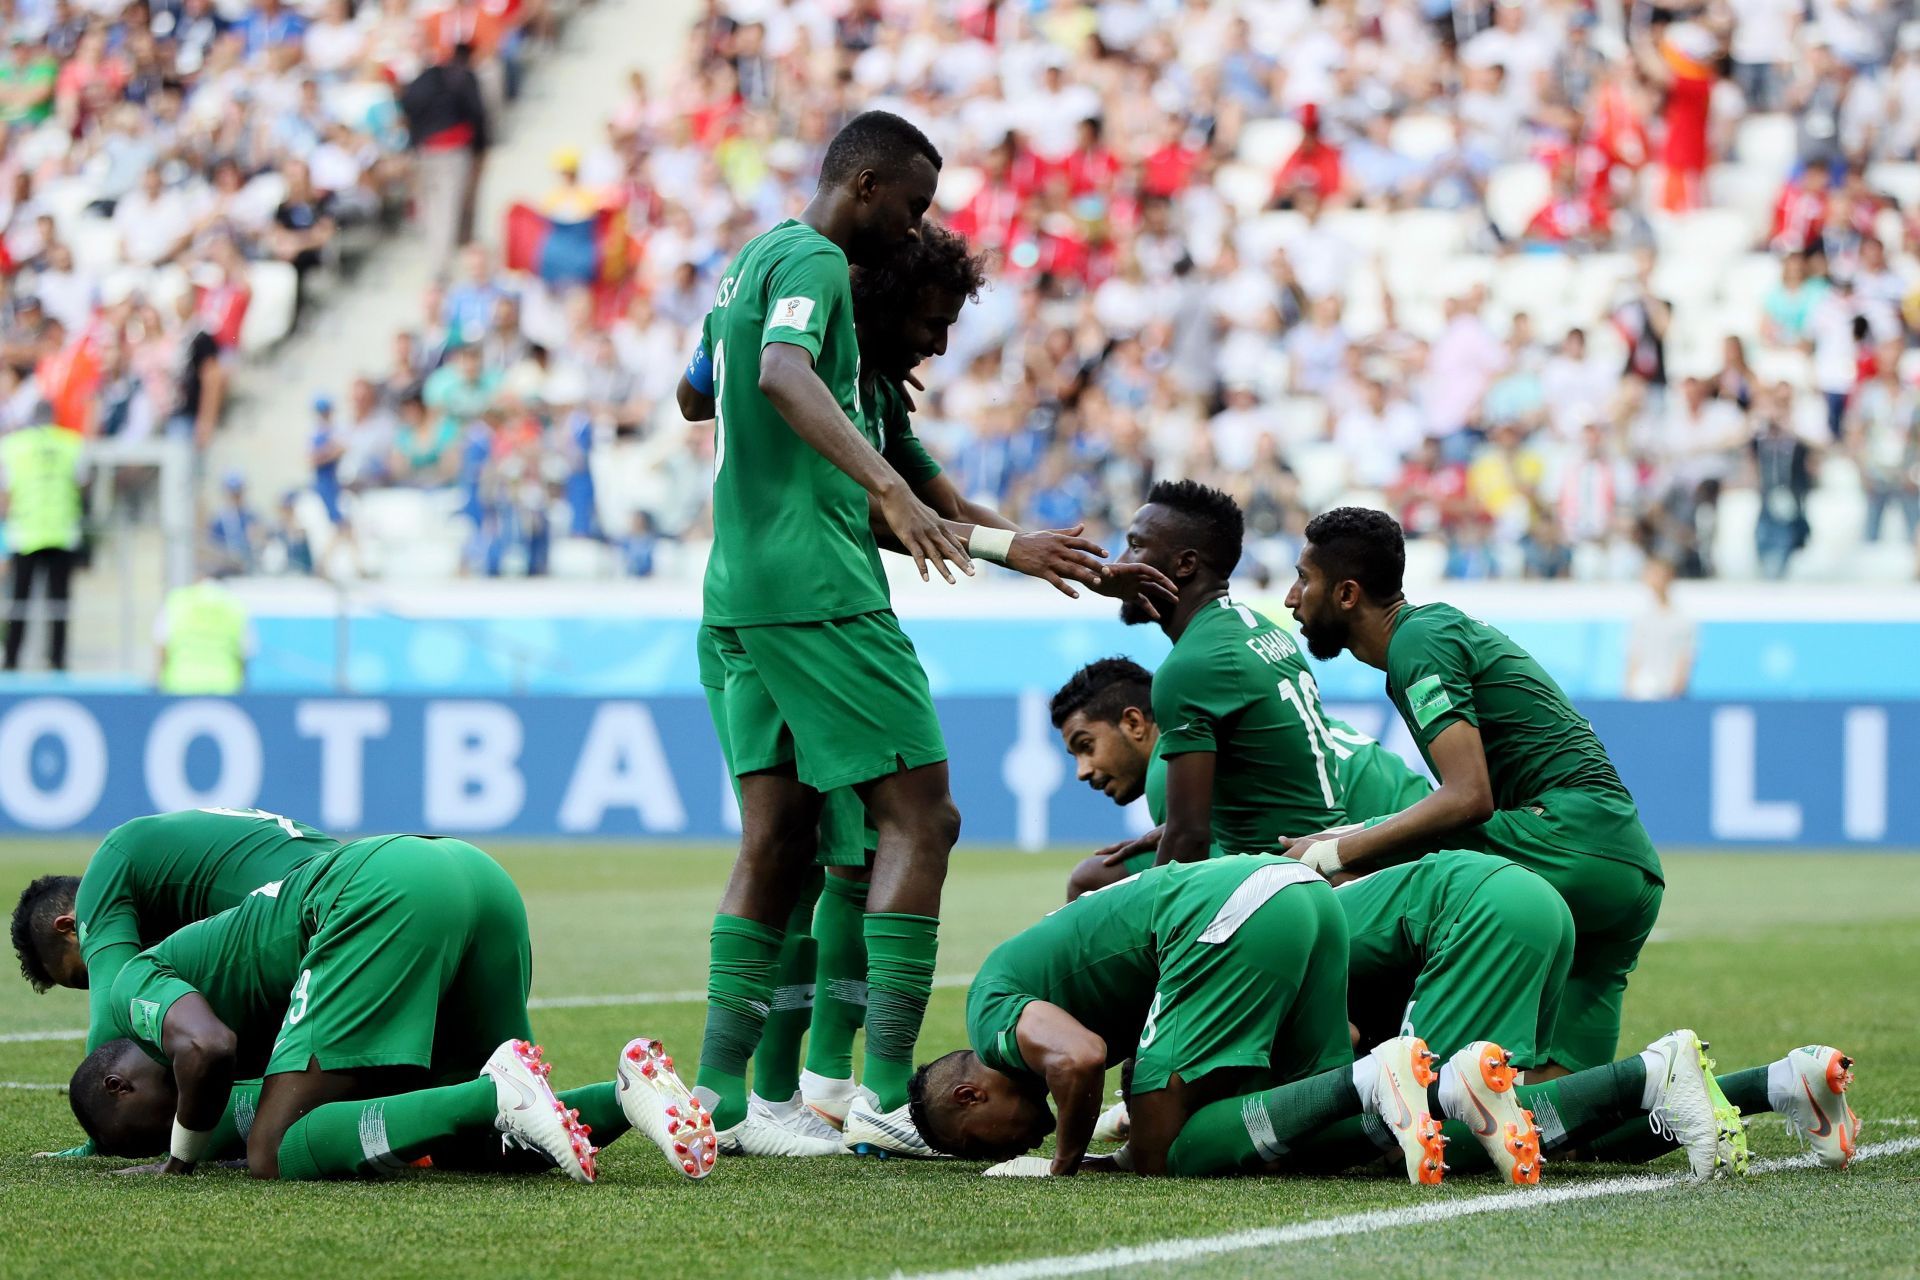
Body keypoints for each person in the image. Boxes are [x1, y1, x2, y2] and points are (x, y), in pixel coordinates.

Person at [678, 220, 1169, 1154]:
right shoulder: (821, 343)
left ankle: (758, 1095)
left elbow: (698, 395)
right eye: (933, 322)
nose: (941, 344)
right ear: (879, 304)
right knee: (919, 819)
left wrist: (1045, 555)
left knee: (807, 842)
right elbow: (886, 506)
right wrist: (938, 517)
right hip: (816, 596)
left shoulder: (815, 343)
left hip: (737, 598)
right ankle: (884, 1094)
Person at [66, 834, 716, 1183]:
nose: (181, 1126)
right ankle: (628, 1095)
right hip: (476, 877)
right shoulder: (218, 1010)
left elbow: (205, 1051)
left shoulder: (137, 985)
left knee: (271, 1149)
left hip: (382, 895)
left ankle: (497, 1093)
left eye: (149, 1128)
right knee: (486, 1150)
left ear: (118, 1080)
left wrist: (178, 1159)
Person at [1283, 507, 1664, 1077]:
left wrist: (1338, 849)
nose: (1291, 597)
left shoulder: (1418, 642)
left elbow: (1467, 800)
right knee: (1565, 1113)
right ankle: (1717, 1082)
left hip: (1563, 837)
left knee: (1378, 884)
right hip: (1631, 867)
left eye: (1303, 578)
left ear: (1346, 594)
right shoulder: (1436, 632)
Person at [908, 854, 1539, 1183]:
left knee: (1160, 1154)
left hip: (1227, 915)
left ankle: (1376, 1078)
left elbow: (1079, 1059)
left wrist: (1064, 1162)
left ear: (969, 1095)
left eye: (976, 1144)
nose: (1007, 1145)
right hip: (1303, 896)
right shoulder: (1035, 986)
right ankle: (1449, 1092)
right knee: (1301, 1140)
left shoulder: (988, 1010)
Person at [11, 807, 339, 1157]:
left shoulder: (105, 874)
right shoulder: (167, 891)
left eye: (84, 975)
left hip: (314, 909)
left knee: (238, 1115)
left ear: (68, 925)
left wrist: (103, 1134)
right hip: (345, 884)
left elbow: (112, 1021)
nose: (97, 976)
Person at [1106, 481, 1349, 872]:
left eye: (1135, 546)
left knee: (1087, 899)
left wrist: (1152, 925)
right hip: (1323, 855)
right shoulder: (1262, 630)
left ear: (1185, 565)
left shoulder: (1191, 665)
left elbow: (1188, 839)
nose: (1119, 562)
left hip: (1277, 881)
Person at [1049, 656, 1429, 899]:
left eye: (1086, 745)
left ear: (1133, 722)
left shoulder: (1174, 758)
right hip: (1431, 846)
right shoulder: (1242, 720)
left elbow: (1217, 893)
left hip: (1405, 874)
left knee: (1092, 878)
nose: (1083, 770)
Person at [1, 414, 86, 671]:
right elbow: (82, 484)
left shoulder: (13, 445)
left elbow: (6, 494)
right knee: (58, 603)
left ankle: (12, 659)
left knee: (20, 602)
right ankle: (57, 660)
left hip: (26, 533)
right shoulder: (71, 443)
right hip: (62, 532)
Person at [400, 41, 490, 274]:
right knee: (447, 211)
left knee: (433, 212)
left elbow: (407, 113)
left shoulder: (418, 82)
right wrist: (482, 151)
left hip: (424, 152)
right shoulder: (463, 77)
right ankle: (440, 273)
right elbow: (478, 116)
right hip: (452, 153)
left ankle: (446, 265)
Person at [154, 571, 254, 694]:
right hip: (224, 685)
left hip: (180, 683)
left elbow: (162, 646)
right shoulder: (235, 605)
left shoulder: (177, 601)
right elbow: (246, 652)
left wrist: (158, 682)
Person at [1623, 558, 1695, 700]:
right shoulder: (1641, 618)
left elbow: (1685, 657)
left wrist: (1675, 690)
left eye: (1658, 575)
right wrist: (1630, 689)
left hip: (1669, 692)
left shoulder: (1682, 619)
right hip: (1642, 691)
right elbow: (1634, 655)